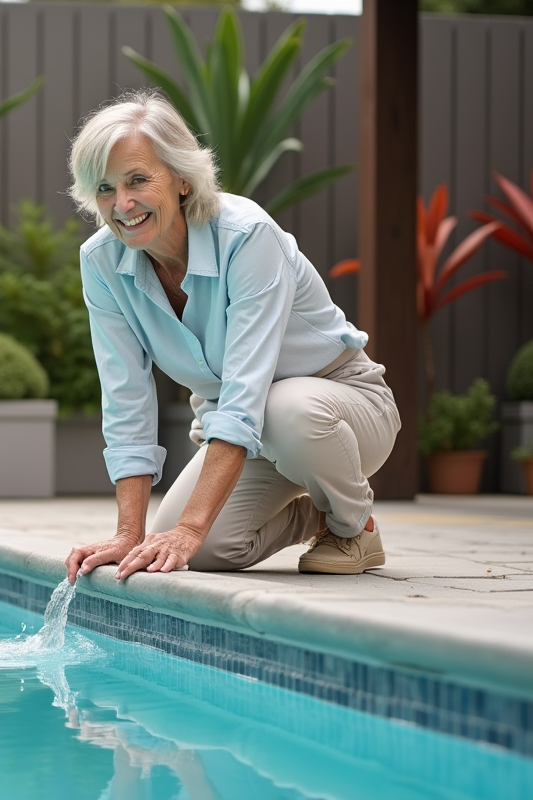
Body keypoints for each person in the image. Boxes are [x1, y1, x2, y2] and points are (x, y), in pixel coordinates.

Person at [63, 90, 401, 583]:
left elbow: (246, 393)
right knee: (188, 550)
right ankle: (317, 515)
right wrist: (128, 533)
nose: (123, 203)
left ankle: (354, 527)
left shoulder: (247, 236)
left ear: (181, 179)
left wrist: (191, 525)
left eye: (138, 180)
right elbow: (126, 400)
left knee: (284, 412)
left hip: (342, 409)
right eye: (105, 188)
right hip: (251, 433)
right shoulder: (101, 262)